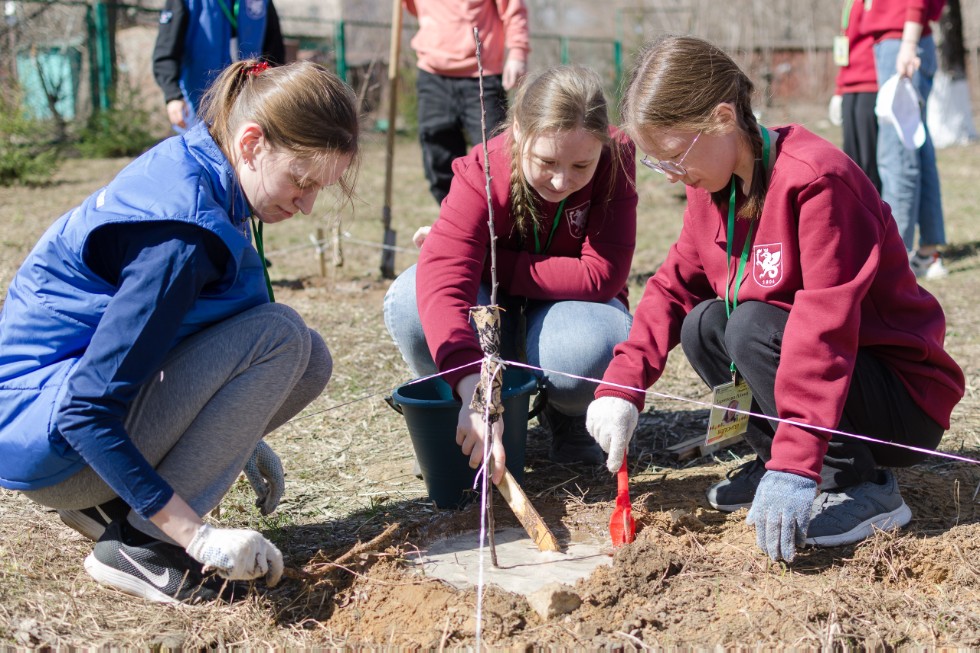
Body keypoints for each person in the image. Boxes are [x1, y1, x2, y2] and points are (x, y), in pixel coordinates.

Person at [585, 36, 964, 563]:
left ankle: (861, 485)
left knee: (749, 326)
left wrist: (797, 465)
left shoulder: (817, 182)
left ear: (721, 117)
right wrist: (622, 386)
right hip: (827, 387)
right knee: (704, 323)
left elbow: (823, 328)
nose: (672, 174)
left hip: (897, 394)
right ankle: (772, 459)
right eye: (657, 163)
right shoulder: (711, 188)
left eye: (674, 156)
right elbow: (672, 285)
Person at [0, 59, 359, 603]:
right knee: (281, 336)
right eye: (301, 181)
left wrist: (241, 434)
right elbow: (84, 411)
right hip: (51, 441)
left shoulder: (208, 166)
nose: (306, 205)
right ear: (253, 142)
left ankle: (116, 511)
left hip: (49, 421)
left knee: (308, 357)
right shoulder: (180, 238)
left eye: (318, 189)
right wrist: (194, 533)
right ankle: (141, 548)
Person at [384, 65, 637, 480]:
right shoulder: (481, 171)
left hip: (565, 311)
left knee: (592, 345)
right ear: (519, 130)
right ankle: (457, 406)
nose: (561, 180)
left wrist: (486, 258)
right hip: (490, 308)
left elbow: (600, 276)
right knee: (415, 297)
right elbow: (446, 281)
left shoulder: (616, 162)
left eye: (580, 166)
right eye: (547, 161)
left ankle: (568, 412)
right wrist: (476, 388)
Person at [403, 0, 530, 205]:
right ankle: (454, 217)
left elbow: (513, 8)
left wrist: (518, 51)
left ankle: (500, 220)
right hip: (432, 73)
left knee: (497, 157)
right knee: (438, 158)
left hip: (482, 74)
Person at [862, 0, 949, 278]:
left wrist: (908, 44)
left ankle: (894, 264)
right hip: (906, 38)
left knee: (897, 155)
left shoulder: (905, 40)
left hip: (903, 40)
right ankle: (927, 252)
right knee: (916, 148)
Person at [152, 0, 286, 131]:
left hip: (247, 104)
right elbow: (166, 51)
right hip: (199, 104)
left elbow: (274, 51)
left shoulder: (263, 2)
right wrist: (173, 96)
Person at [830, 0, 882, 192]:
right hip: (850, 85)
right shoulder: (850, 3)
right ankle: (857, 211)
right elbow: (846, 45)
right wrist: (839, 89)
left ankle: (877, 213)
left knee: (870, 161)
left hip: (871, 82)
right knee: (852, 160)